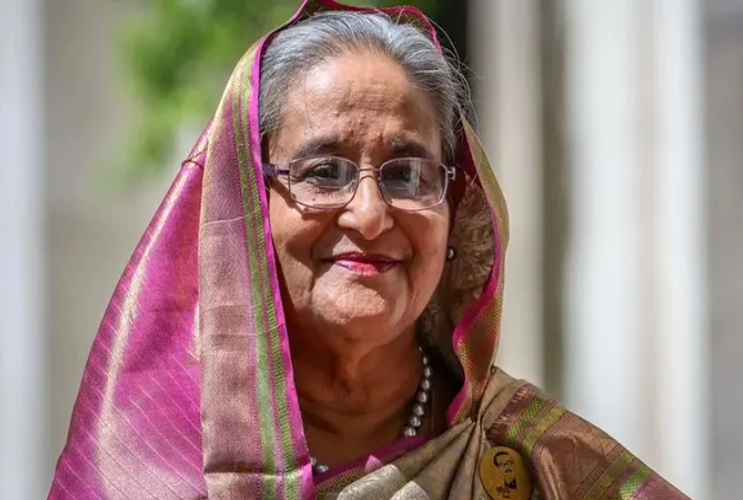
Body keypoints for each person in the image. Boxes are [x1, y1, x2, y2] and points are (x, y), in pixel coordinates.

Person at [48, 1, 691, 499]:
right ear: (246, 205)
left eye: (407, 175)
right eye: (323, 172)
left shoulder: (535, 464)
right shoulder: (150, 460)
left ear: (455, 210)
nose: (370, 214)